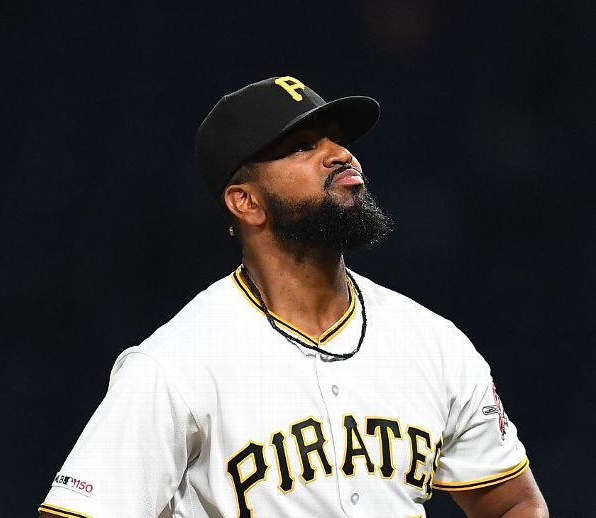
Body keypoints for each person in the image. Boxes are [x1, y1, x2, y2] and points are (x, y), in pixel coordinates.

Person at [38, 76, 549, 518]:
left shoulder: (433, 344)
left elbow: (514, 505)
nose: (340, 155)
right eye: (303, 146)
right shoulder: (175, 365)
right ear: (246, 202)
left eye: (338, 140)